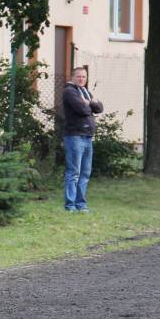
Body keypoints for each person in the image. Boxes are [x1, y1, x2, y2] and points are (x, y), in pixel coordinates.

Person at [61, 66, 103, 212]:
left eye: (84, 77)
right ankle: (70, 206)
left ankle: (81, 205)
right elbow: (82, 109)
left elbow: (99, 108)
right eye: (79, 76)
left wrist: (88, 102)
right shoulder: (69, 91)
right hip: (75, 137)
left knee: (85, 173)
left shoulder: (85, 92)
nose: (81, 79)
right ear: (72, 77)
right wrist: (91, 104)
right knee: (74, 173)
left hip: (87, 137)